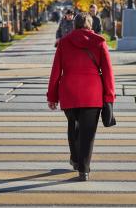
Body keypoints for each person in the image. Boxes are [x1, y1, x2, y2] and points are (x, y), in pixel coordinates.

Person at [47, 12, 115, 181]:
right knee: (88, 132)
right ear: (90, 25)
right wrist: (109, 97)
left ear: (75, 25)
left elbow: (56, 71)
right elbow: (108, 73)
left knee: (73, 126)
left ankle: (75, 159)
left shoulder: (64, 42)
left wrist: (52, 96)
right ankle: (83, 169)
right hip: (92, 94)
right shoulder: (99, 42)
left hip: (69, 92)